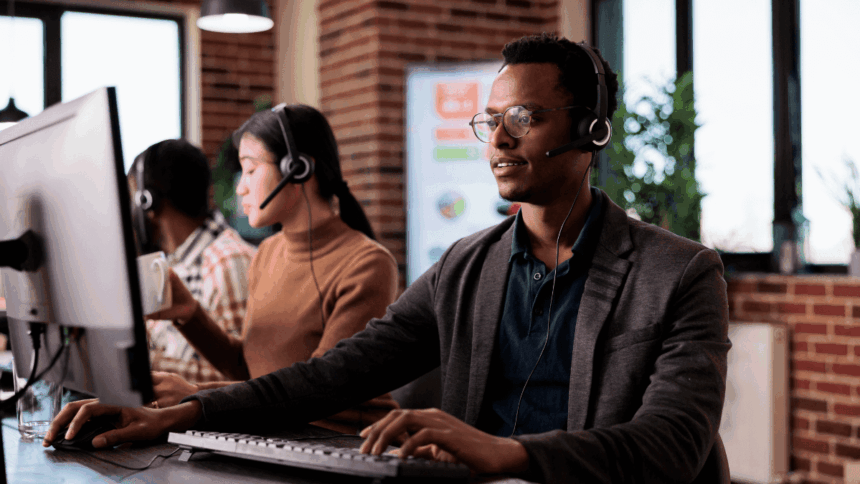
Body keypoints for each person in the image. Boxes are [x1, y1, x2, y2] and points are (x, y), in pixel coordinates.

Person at [46, 34, 730, 483]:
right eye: (487, 121)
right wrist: (178, 415)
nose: (495, 140)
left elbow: (672, 444)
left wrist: (511, 454)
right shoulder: (467, 266)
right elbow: (328, 377)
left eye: (521, 118)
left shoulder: (680, 273)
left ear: (590, 129)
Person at [137, 105, 401, 434]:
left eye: (249, 170)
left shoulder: (367, 264)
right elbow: (249, 367)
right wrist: (190, 314)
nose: (240, 188)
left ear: (298, 169)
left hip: (343, 443)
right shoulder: (268, 253)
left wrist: (197, 397)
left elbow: (321, 390)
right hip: (275, 435)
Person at [129, 139, 256, 385]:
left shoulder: (227, 262)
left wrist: (143, 364)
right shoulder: (176, 263)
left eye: (131, 199)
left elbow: (242, 381)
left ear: (149, 202)